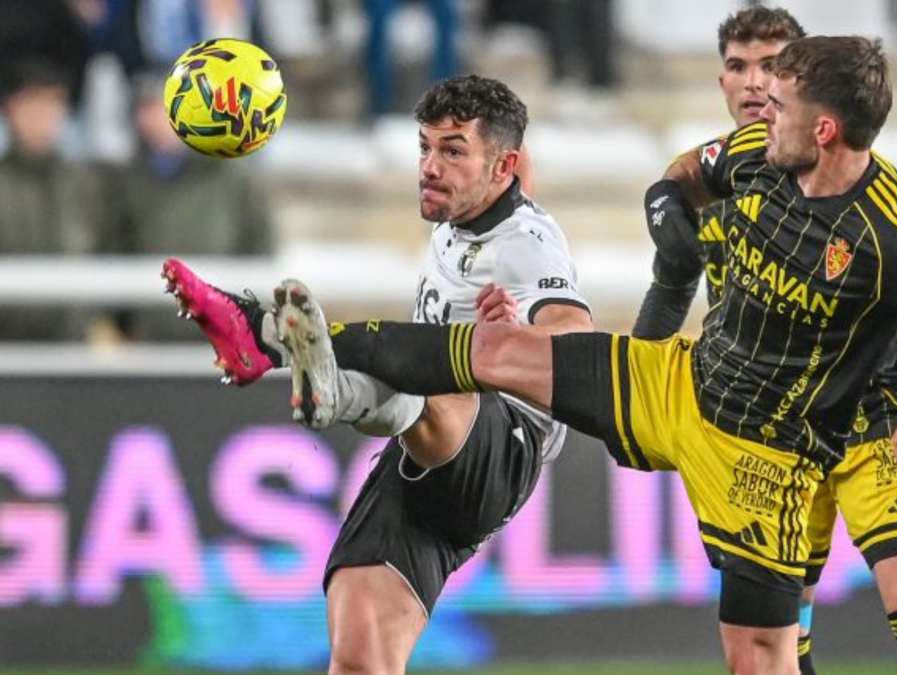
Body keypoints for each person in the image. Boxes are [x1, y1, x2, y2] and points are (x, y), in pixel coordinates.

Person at [177, 38, 897, 675]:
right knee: (490, 351)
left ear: (828, 126)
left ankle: (312, 364)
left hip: (760, 454)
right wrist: (672, 216)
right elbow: (683, 175)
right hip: (678, 384)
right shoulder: (759, 154)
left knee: (762, 656)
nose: (762, 113)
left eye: (785, 100)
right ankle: (267, 335)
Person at [163, 74, 592, 674]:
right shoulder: (456, 223)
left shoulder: (526, 241)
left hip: (501, 447)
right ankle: (319, 380)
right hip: (418, 459)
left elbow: (575, 334)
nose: (430, 166)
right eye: (424, 147)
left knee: (428, 360)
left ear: (504, 167)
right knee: (360, 658)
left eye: (452, 150)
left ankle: (264, 337)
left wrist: (517, 338)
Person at [632, 8, 897, 675]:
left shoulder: (854, 176)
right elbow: (671, 290)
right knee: (783, 641)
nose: (755, 84)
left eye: (773, 65)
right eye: (738, 66)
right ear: (720, 78)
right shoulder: (712, 182)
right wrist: (634, 392)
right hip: (767, 442)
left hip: (868, 422)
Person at [98, 73, 275, 342]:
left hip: (223, 339)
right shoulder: (124, 184)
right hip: (150, 338)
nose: (160, 118)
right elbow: (114, 249)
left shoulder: (234, 181)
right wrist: (126, 323)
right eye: (150, 108)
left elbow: (261, 249)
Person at [0, 61, 111, 341]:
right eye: (33, 104)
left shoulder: (85, 184)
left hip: (75, 346)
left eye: (52, 105)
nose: (43, 116)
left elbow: (106, 249)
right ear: (10, 110)